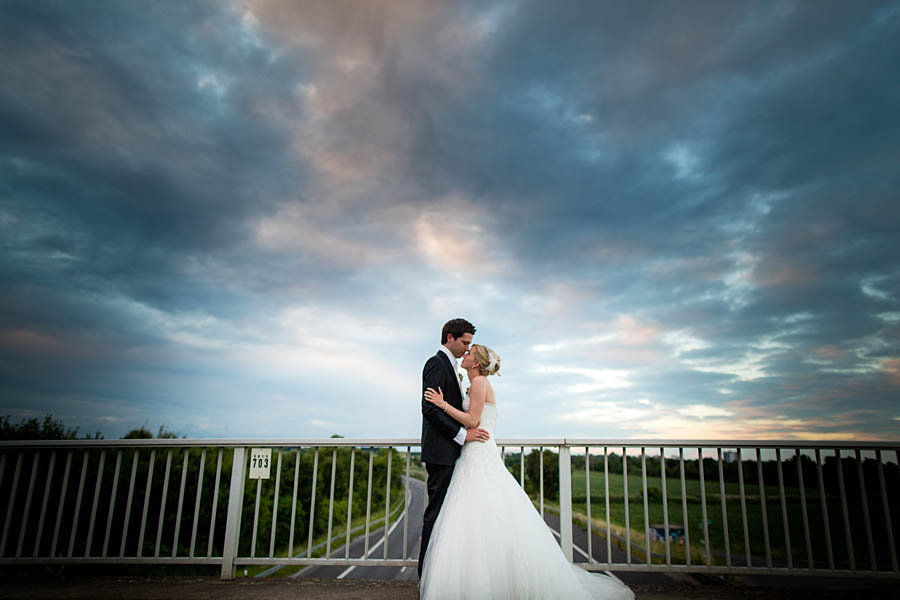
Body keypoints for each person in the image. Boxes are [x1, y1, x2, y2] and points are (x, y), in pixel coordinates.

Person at [419, 344, 634, 600]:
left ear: (476, 363)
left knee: (477, 511)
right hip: (474, 451)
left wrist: (443, 405)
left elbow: (474, 421)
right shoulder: (476, 383)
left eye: (468, 353)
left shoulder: (479, 383)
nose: (464, 355)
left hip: (477, 452)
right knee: (480, 513)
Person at [418, 318, 491, 578]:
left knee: (448, 518)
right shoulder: (436, 363)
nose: (466, 348)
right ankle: (425, 578)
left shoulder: (454, 369)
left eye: (469, 344)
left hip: (452, 452)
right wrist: (462, 435)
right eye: (464, 342)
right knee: (436, 516)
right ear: (449, 337)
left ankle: (441, 576)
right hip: (441, 452)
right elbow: (429, 409)